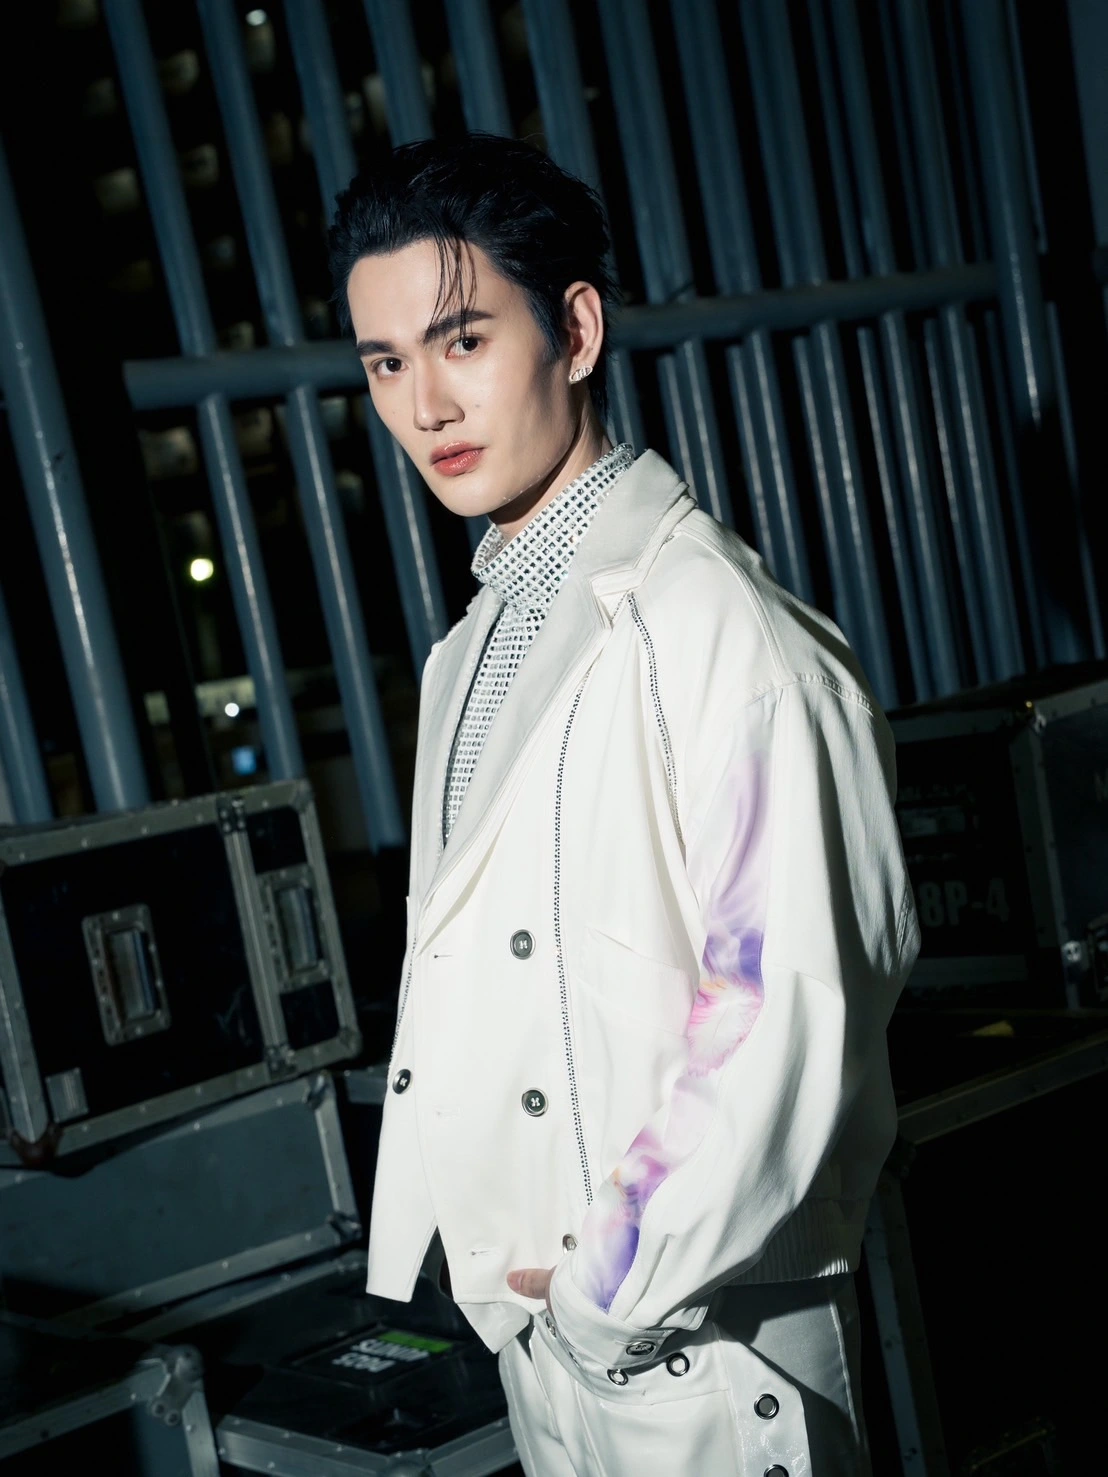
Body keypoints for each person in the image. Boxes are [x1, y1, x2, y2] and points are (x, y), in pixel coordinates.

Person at [329, 133, 919, 1476]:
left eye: (463, 340)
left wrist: (609, 1289)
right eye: (386, 364)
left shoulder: (724, 631)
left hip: (699, 1345)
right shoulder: (470, 654)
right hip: (550, 1346)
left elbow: (786, 1009)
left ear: (578, 332)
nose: (427, 405)